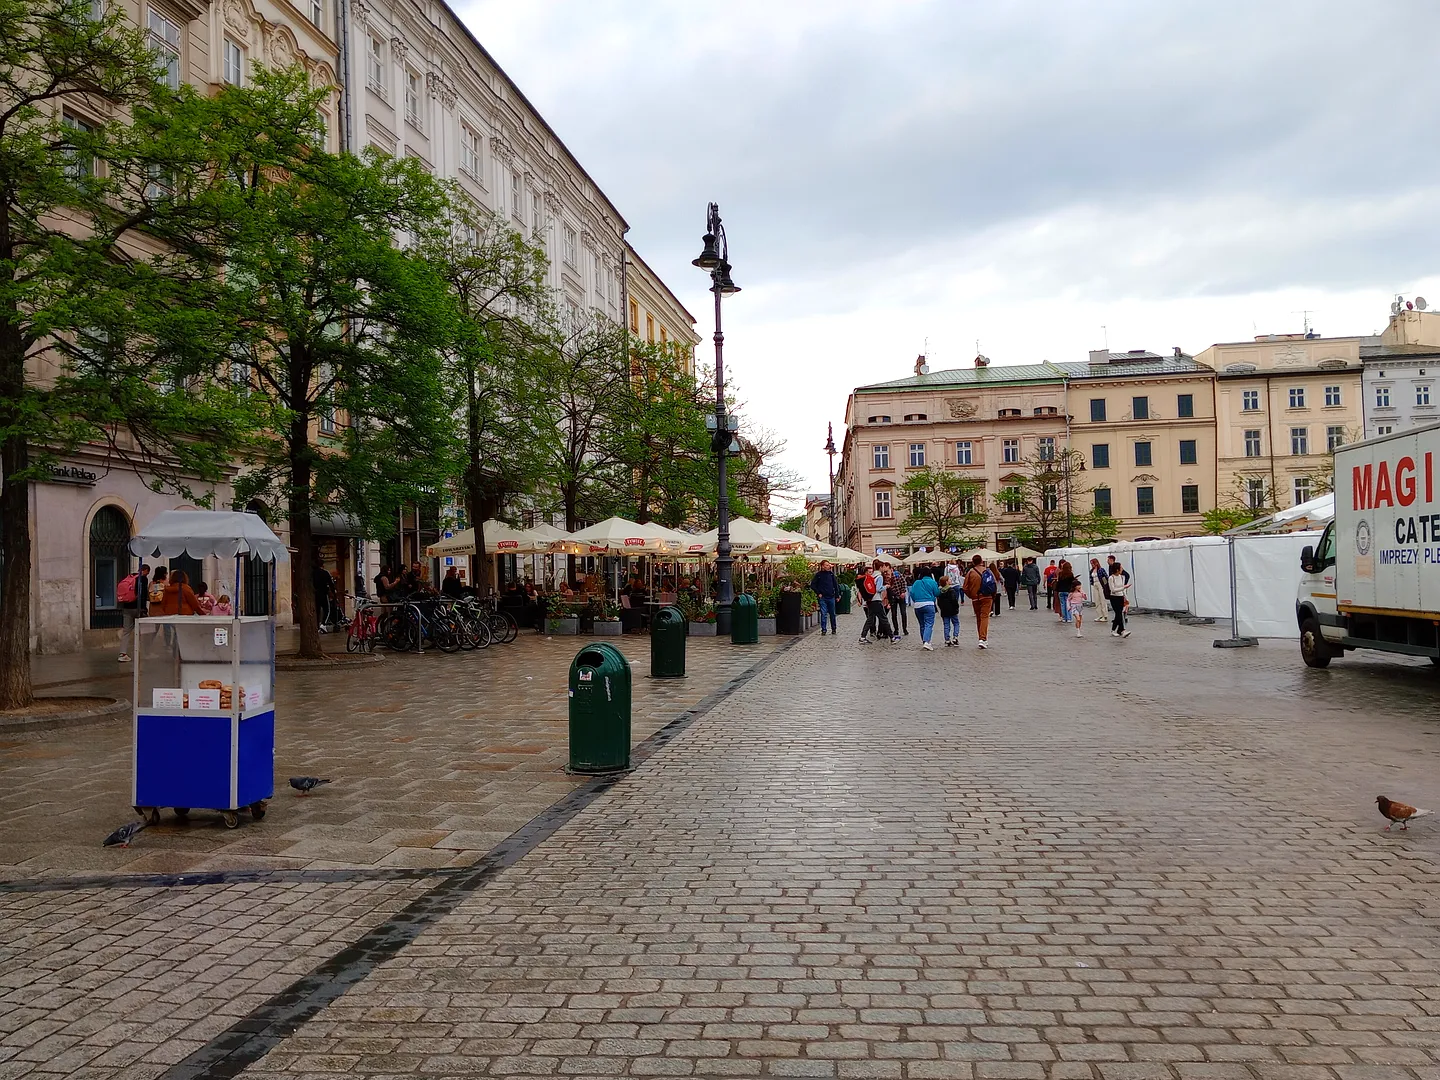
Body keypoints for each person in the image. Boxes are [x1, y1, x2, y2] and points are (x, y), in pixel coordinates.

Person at [117, 562, 150, 662]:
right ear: (145, 571)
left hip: (127, 608)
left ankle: (122, 654)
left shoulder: (130, 577)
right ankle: (145, 653)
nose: (147, 574)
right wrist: (144, 608)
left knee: (126, 631)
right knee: (145, 631)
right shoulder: (143, 579)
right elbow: (143, 595)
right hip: (138, 608)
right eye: (147, 572)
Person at [962, 554, 997, 648]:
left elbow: (965, 587)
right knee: (984, 617)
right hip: (987, 597)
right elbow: (994, 584)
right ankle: (983, 639)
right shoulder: (988, 570)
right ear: (982, 561)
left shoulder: (970, 572)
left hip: (976, 598)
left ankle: (981, 638)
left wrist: (971, 595)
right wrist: (993, 596)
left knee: (978, 618)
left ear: (973, 562)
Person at [908, 569, 939, 650]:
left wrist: (916, 600)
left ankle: (924, 641)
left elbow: (912, 593)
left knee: (922, 624)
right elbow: (937, 593)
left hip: (918, 605)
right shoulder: (932, 582)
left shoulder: (916, 582)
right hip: (929, 604)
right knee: (929, 623)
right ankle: (926, 641)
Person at [809, 560, 839, 637]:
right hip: (823, 597)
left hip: (831, 596)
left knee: (832, 613)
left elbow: (835, 585)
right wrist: (818, 593)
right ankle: (824, 629)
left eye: (828, 565)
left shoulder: (831, 575)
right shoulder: (818, 575)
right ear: (822, 566)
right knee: (824, 613)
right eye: (826, 565)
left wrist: (837, 595)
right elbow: (813, 585)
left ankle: (834, 628)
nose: (828, 566)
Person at [1108, 561, 1133, 637]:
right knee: (1118, 613)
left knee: (1119, 614)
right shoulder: (1111, 578)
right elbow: (1113, 589)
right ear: (1117, 569)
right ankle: (1122, 630)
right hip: (1114, 597)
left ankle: (1115, 630)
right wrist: (1123, 587)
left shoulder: (1122, 577)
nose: (1122, 569)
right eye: (1120, 568)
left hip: (1121, 597)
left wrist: (1125, 597)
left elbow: (1122, 589)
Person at [937, 574, 961, 646]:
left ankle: (947, 639)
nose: (950, 580)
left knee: (946, 625)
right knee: (956, 623)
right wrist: (956, 607)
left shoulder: (940, 592)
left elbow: (939, 603)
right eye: (949, 580)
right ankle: (955, 637)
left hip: (944, 611)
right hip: (953, 610)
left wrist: (942, 608)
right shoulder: (951, 590)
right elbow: (954, 600)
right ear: (947, 582)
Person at [886, 566, 909, 636]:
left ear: (891, 569)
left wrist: (903, 592)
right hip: (893, 597)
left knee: (903, 613)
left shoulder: (897, 575)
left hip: (900, 596)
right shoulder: (886, 578)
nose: (887, 572)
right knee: (893, 614)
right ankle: (896, 629)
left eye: (888, 571)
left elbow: (904, 583)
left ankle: (905, 629)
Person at [1055, 559, 1077, 624]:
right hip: (1068, 591)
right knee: (1068, 605)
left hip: (1061, 591)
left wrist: (1057, 589)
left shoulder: (1060, 573)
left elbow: (1058, 582)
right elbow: (1073, 582)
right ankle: (1069, 618)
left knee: (1062, 605)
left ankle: (1064, 618)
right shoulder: (1070, 574)